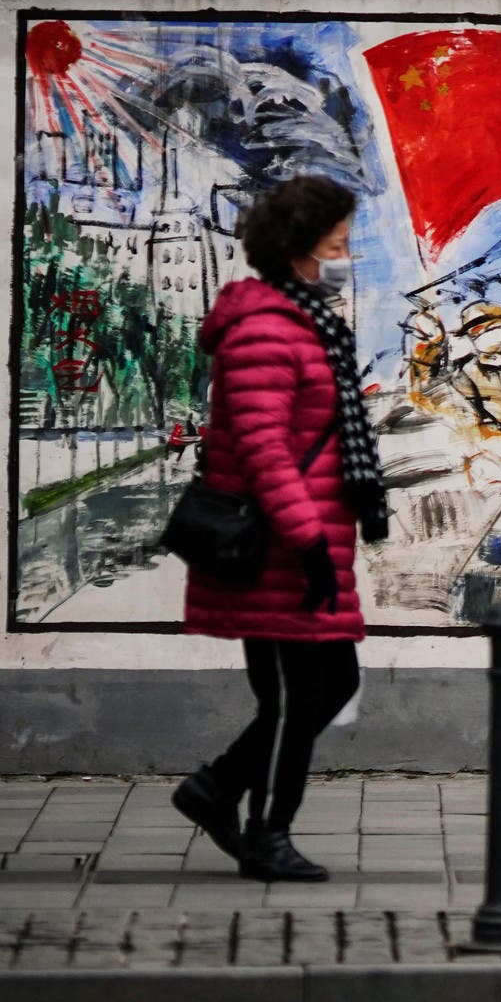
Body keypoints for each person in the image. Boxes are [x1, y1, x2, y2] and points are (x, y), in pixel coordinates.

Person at [169, 175, 383, 885]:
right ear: (298, 248)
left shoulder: (303, 320)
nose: (346, 251)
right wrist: (311, 541)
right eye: (337, 241)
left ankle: (218, 789)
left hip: (306, 545)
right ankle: (266, 833)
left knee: (318, 686)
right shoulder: (265, 328)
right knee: (301, 694)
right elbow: (264, 451)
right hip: (283, 550)